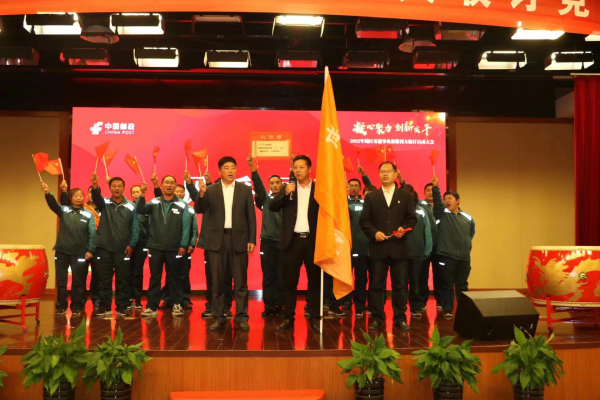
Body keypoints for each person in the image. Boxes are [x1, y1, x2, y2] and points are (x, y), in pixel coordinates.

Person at [195, 156, 257, 331]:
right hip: (217, 241)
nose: (230, 171)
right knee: (218, 281)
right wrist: (201, 194)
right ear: (220, 171)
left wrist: (251, 239)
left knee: (240, 281)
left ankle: (242, 316)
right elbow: (199, 209)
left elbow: (251, 217)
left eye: (233, 167)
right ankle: (218, 316)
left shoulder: (245, 190)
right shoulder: (211, 190)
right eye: (226, 168)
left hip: (239, 240)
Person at [359, 162, 417, 331]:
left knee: (400, 285)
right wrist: (374, 233)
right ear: (378, 175)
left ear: (395, 174)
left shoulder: (405, 196)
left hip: (399, 247)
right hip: (378, 247)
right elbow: (364, 221)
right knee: (377, 285)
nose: (385, 174)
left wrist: (403, 230)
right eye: (382, 171)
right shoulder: (371, 197)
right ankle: (377, 317)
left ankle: (400, 318)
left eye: (388, 171)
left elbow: (412, 219)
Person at [270, 155, 322, 332]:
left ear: (309, 169)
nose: (298, 170)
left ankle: (314, 317)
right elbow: (272, 206)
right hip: (292, 242)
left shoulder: (319, 189)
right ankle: (288, 318)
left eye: (301, 167)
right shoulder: (289, 188)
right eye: (295, 167)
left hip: (313, 242)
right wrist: (285, 193)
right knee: (289, 283)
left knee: (315, 282)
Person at [137, 175, 190, 317]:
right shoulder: (154, 202)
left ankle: (176, 305)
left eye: (172, 183)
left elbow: (186, 226)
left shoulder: (182, 204)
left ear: (175, 186)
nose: (169, 185)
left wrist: (184, 244)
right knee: (155, 277)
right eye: (166, 182)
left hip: (175, 247)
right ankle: (151, 306)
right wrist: (142, 194)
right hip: (155, 247)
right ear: (162, 185)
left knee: (174, 277)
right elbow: (140, 209)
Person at [42, 182, 95, 316]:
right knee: (61, 281)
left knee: (78, 281)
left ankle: (77, 306)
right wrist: (48, 193)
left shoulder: (89, 214)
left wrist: (90, 250)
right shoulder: (64, 210)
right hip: (62, 251)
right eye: (76, 196)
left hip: (80, 253)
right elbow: (53, 205)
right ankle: (61, 306)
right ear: (70, 198)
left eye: (81, 195)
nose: (79, 198)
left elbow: (92, 234)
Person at [91, 174, 139, 317]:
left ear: (123, 188)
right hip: (104, 247)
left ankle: (122, 307)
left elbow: (135, 227)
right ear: (110, 188)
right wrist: (95, 186)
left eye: (119, 186)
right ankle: (105, 307)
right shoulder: (104, 203)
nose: (117, 188)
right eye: (114, 186)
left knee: (122, 279)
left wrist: (132, 244)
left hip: (123, 248)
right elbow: (96, 198)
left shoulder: (131, 206)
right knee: (104, 278)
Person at [431, 176, 475, 320]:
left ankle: (463, 309)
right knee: (447, 284)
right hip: (446, 255)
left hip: (464, 257)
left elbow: (471, 233)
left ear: (458, 201)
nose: (447, 201)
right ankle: (448, 309)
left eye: (450, 198)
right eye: (445, 199)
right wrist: (436, 187)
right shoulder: (442, 214)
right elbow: (438, 203)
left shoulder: (467, 217)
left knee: (462, 284)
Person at [247, 155, 286, 317]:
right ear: (269, 186)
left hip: (283, 243)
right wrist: (253, 169)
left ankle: (280, 306)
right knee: (268, 276)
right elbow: (258, 186)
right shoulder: (265, 199)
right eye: (272, 183)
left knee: (281, 276)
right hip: (268, 242)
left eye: (278, 182)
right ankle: (269, 306)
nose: (275, 185)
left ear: (282, 185)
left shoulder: (286, 199)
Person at [60, 182, 101, 310]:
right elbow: (64, 205)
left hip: (98, 247)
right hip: (82, 248)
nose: (91, 195)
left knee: (97, 276)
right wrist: (64, 192)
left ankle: (96, 300)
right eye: (89, 192)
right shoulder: (81, 208)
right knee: (80, 277)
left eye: (95, 193)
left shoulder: (103, 208)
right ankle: (80, 302)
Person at [338, 178, 371, 318]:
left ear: (360, 188)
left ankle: (360, 305)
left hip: (362, 247)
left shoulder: (366, 203)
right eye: (351, 186)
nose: (353, 188)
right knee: (344, 278)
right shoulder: (343, 202)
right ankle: (345, 301)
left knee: (361, 278)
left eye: (356, 186)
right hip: (345, 247)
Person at [403, 184, 432, 319]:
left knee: (415, 283)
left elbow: (427, 231)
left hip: (417, 252)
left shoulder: (421, 210)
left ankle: (415, 308)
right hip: (399, 254)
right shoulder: (395, 211)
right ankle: (400, 310)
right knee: (401, 284)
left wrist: (427, 250)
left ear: (413, 195)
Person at [418, 183, 440, 311]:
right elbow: (408, 193)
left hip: (439, 247)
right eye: (428, 190)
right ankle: (422, 301)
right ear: (423, 192)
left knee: (440, 275)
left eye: (432, 190)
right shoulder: (420, 205)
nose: (430, 192)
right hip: (425, 245)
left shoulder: (441, 206)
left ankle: (440, 301)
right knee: (422, 275)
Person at [129, 184, 148, 310]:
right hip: (128, 245)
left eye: (138, 192)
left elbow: (150, 227)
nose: (136, 194)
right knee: (127, 272)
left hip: (141, 245)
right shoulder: (128, 207)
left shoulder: (147, 208)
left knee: (138, 272)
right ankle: (128, 298)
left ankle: (138, 299)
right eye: (134, 192)